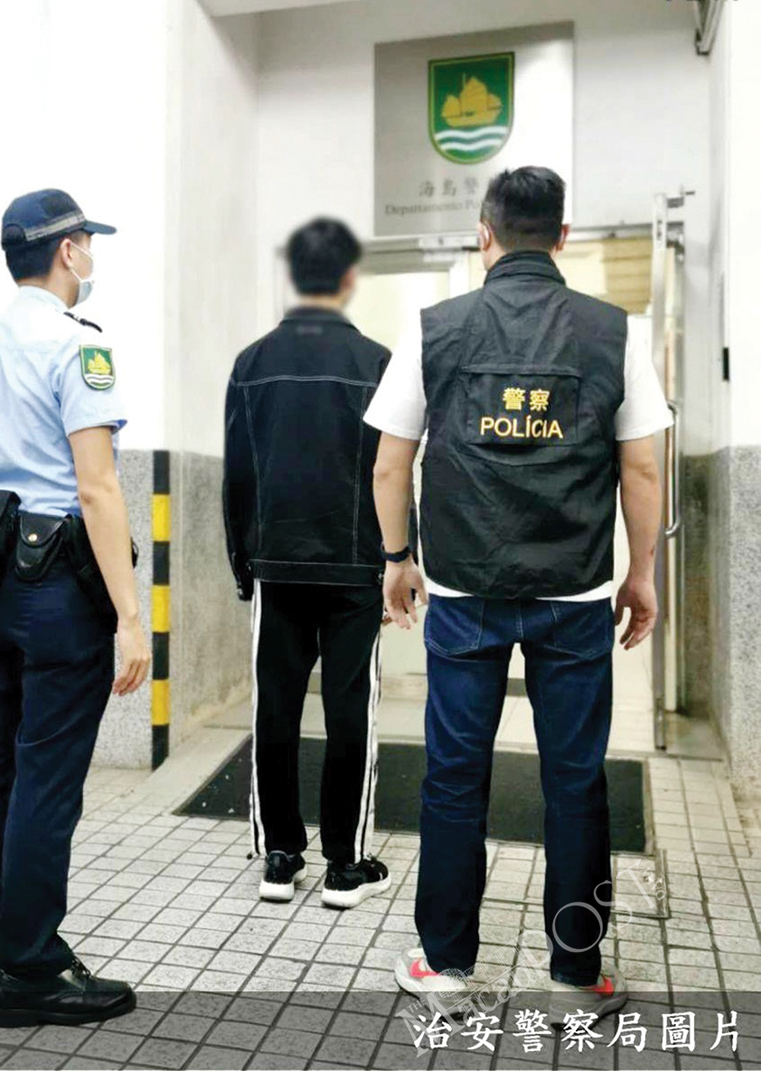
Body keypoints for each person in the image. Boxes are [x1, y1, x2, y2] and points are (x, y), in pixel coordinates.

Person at [364, 167, 669, 1023]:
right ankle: (574, 972)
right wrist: (640, 572)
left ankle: (445, 964)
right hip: (575, 592)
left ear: (483, 233)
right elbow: (643, 467)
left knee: (453, 775)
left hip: (463, 591)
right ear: (561, 236)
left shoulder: (434, 327)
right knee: (575, 778)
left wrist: (398, 557)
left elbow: (389, 462)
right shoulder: (613, 332)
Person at [0, 189, 151, 1027]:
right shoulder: (77, 346)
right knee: (47, 775)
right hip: (59, 584)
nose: (91, 257)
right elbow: (97, 488)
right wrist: (130, 615)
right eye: (87, 243)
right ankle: (30, 968)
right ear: (67, 251)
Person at [223, 218, 392, 908]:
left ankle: (280, 856)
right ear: (349, 278)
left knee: (276, 708)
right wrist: (399, 559)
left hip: (278, 564)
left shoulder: (251, 362)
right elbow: (393, 472)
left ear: (293, 276)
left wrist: (244, 564)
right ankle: (345, 864)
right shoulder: (377, 364)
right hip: (356, 567)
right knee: (351, 710)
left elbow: (237, 476)